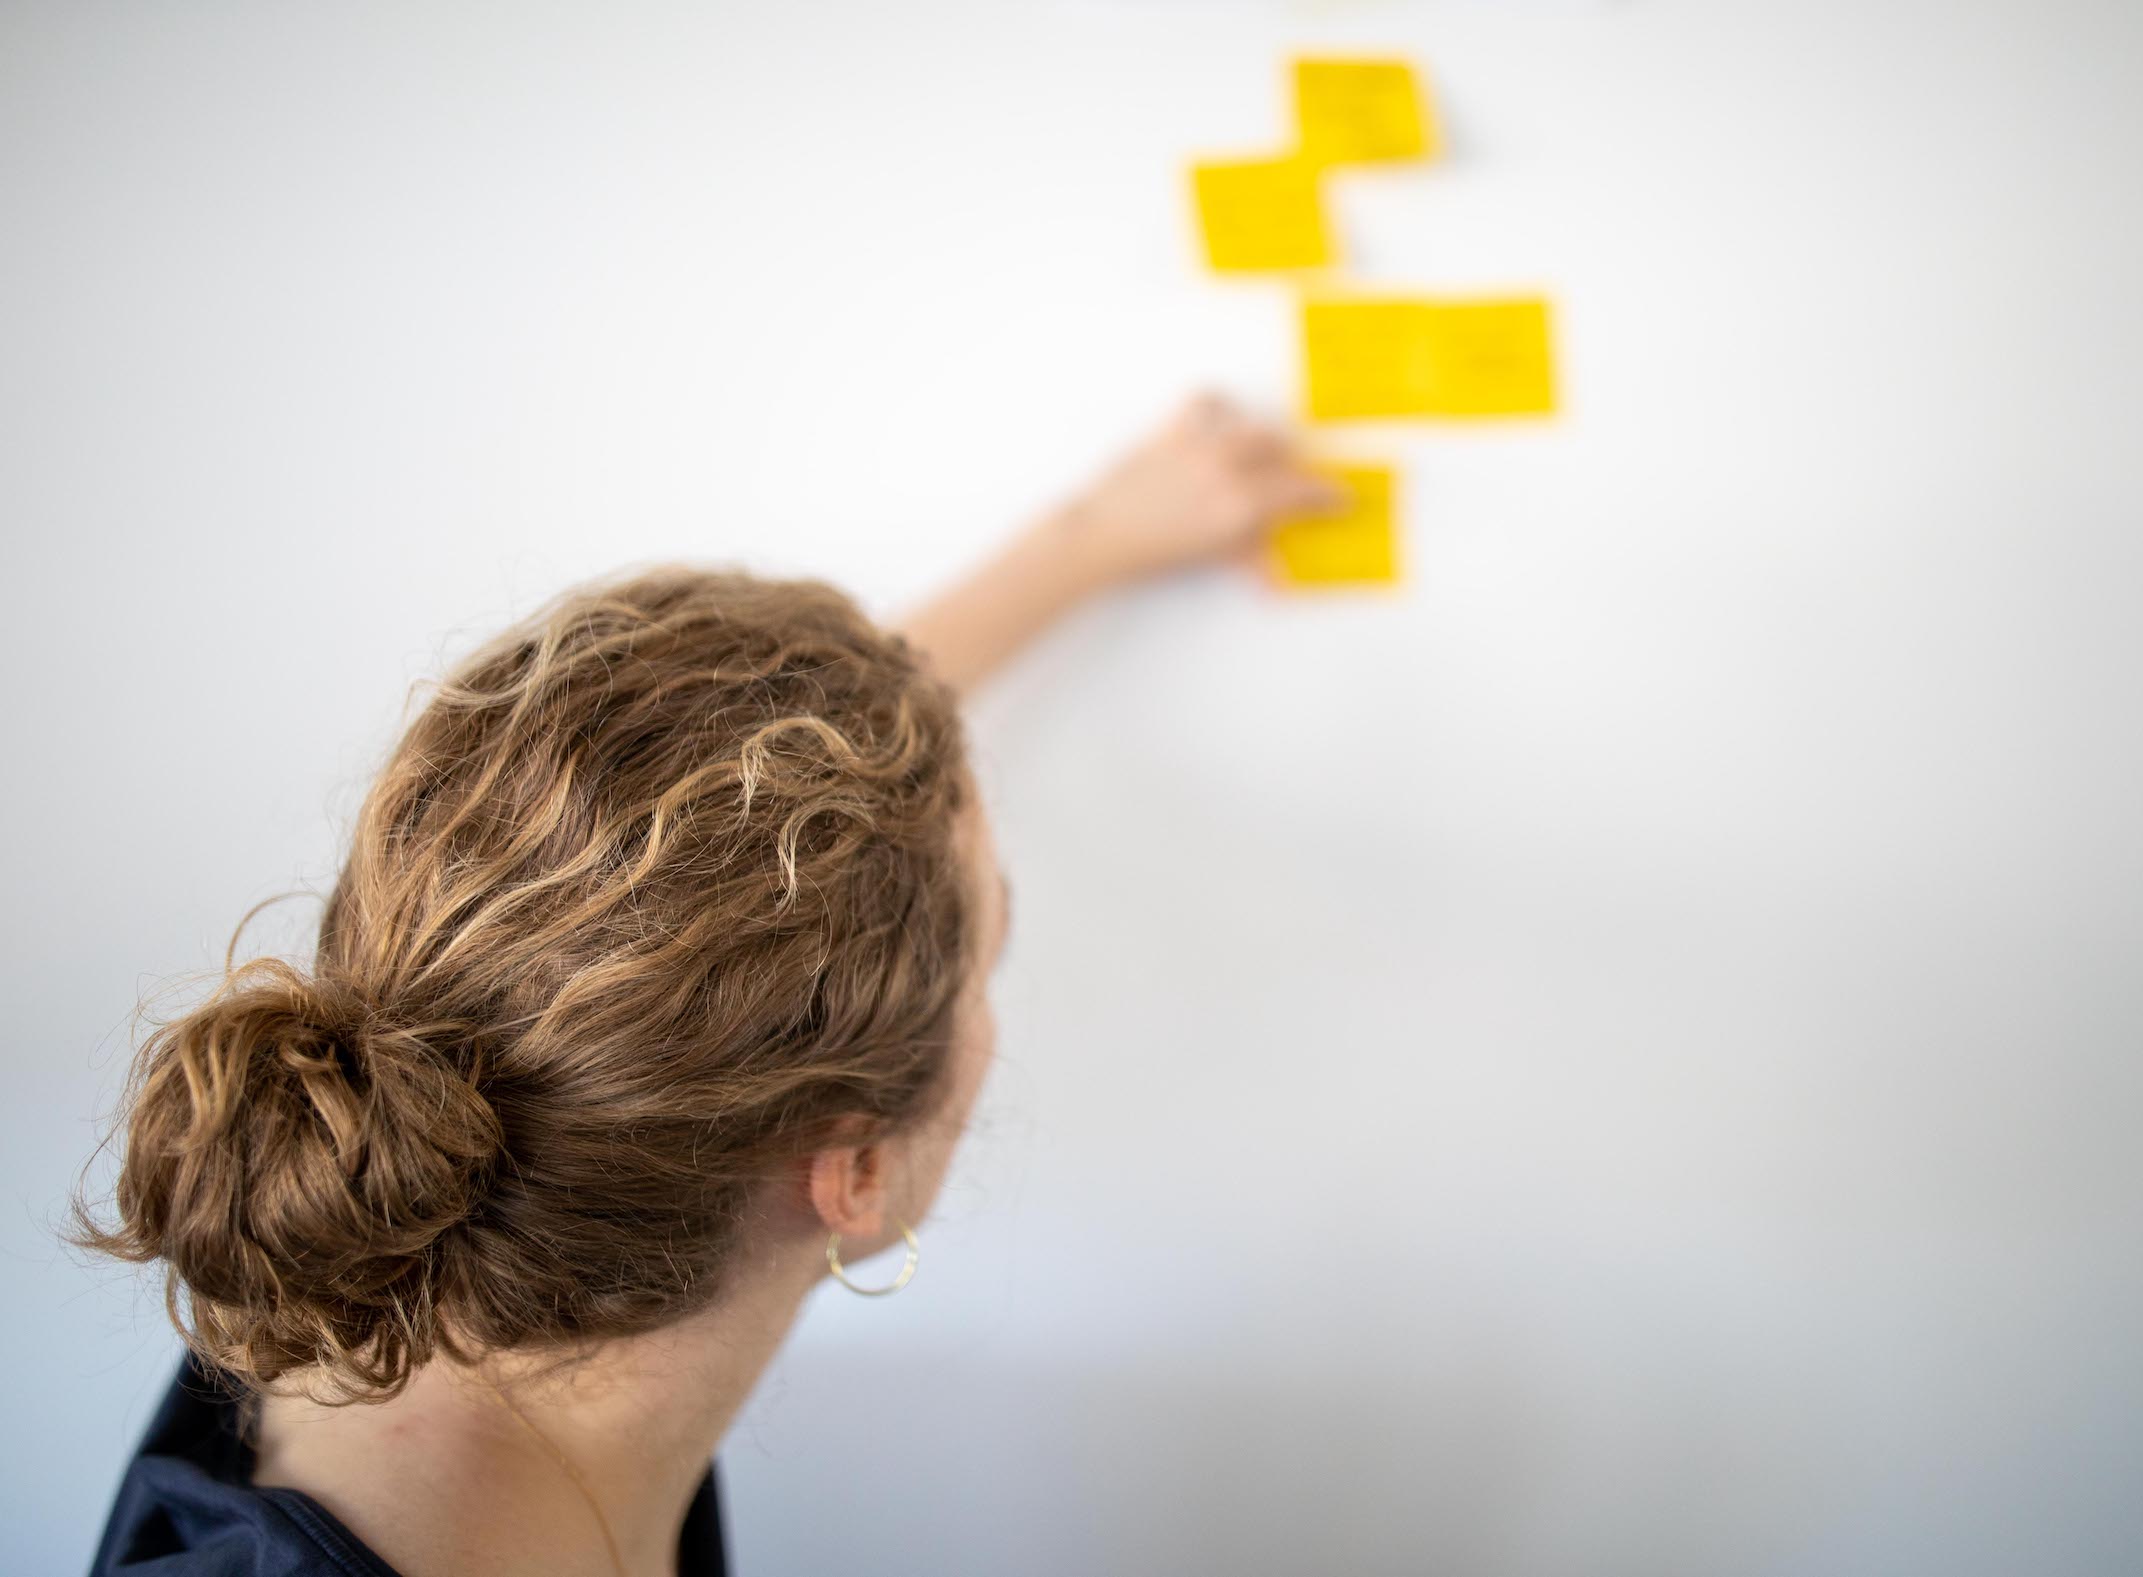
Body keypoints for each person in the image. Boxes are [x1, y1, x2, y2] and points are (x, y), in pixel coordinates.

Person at [77, 394, 1342, 1577]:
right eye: (987, 953)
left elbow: (720, 838)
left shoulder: (369, 1208)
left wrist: (1087, 540)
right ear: (855, 1168)